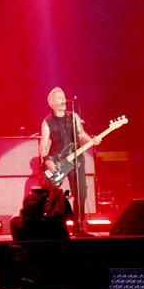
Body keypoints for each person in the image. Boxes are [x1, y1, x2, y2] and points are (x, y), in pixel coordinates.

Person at [39, 87, 101, 236]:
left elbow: (81, 134)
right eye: (59, 98)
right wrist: (46, 160)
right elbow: (43, 143)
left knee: (81, 193)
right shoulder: (47, 121)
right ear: (52, 103)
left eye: (64, 97)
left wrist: (91, 140)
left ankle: (78, 227)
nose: (63, 100)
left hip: (76, 159)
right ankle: (47, 227)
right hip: (58, 160)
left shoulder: (74, 116)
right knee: (51, 195)